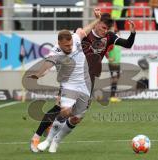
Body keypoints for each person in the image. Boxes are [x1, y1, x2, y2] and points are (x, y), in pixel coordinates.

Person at [32, 12, 136, 153]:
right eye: (103, 27)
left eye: (107, 29)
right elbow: (65, 46)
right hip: (72, 77)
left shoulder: (109, 37)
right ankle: (37, 137)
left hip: (89, 79)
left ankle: (55, 138)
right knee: (59, 107)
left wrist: (133, 32)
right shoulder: (82, 34)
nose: (105, 31)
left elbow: (128, 44)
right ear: (98, 23)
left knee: (76, 117)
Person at [29, 8, 101, 153]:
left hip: (85, 83)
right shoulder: (55, 52)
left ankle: (56, 140)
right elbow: (47, 66)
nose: (69, 48)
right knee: (64, 111)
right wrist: (38, 74)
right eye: (66, 46)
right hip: (69, 84)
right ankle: (45, 139)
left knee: (76, 118)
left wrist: (97, 20)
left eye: (70, 45)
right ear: (59, 43)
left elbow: (85, 30)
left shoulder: (75, 37)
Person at [106, 30, 122, 103]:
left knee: (116, 78)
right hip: (113, 64)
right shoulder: (112, 44)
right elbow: (106, 50)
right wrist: (109, 58)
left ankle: (113, 95)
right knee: (115, 78)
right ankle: (112, 96)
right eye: (118, 34)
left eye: (120, 34)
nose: (119, 35)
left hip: (117, 64)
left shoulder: (118, 44)